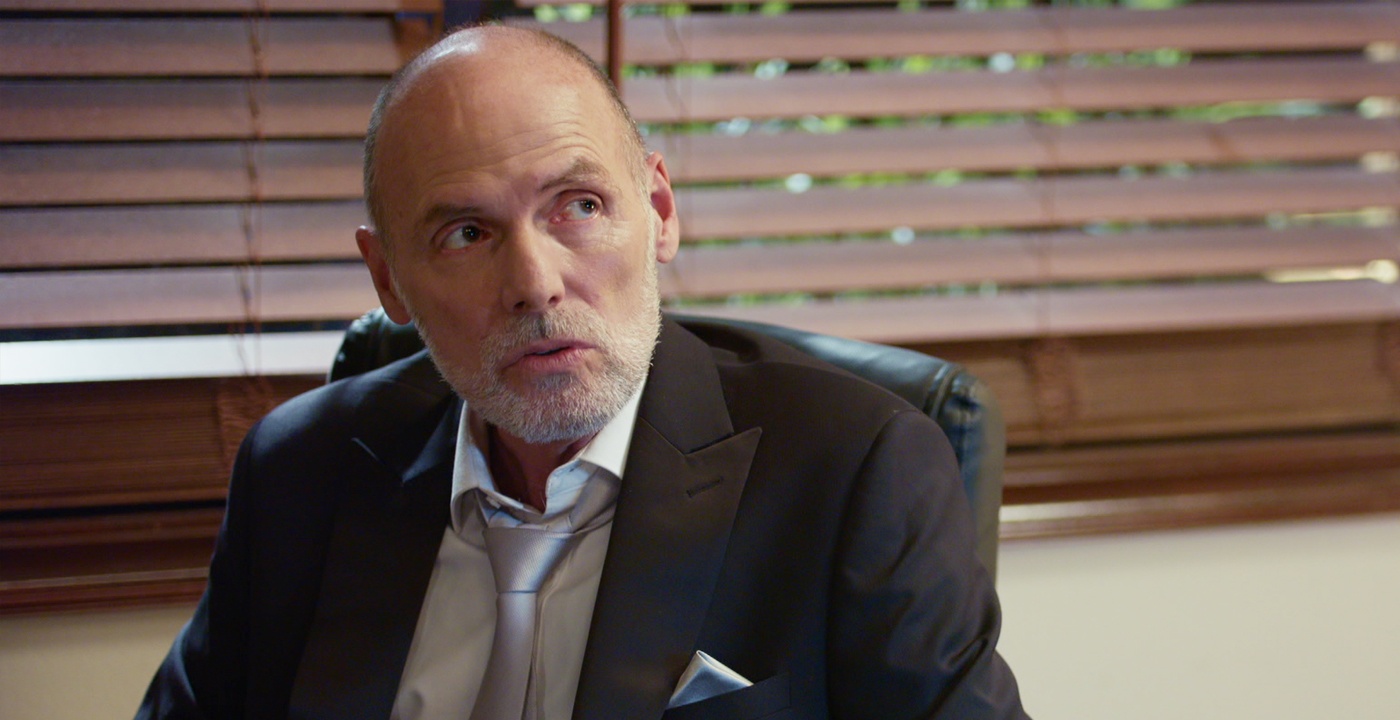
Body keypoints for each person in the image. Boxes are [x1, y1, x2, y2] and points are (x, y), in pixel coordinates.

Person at [137, 24, 1030, 720]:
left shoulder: (853, 471)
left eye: (579, 205)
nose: (535, 283)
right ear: (388, 280)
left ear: (660, 210)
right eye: (466, 233)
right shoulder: (300, 473)